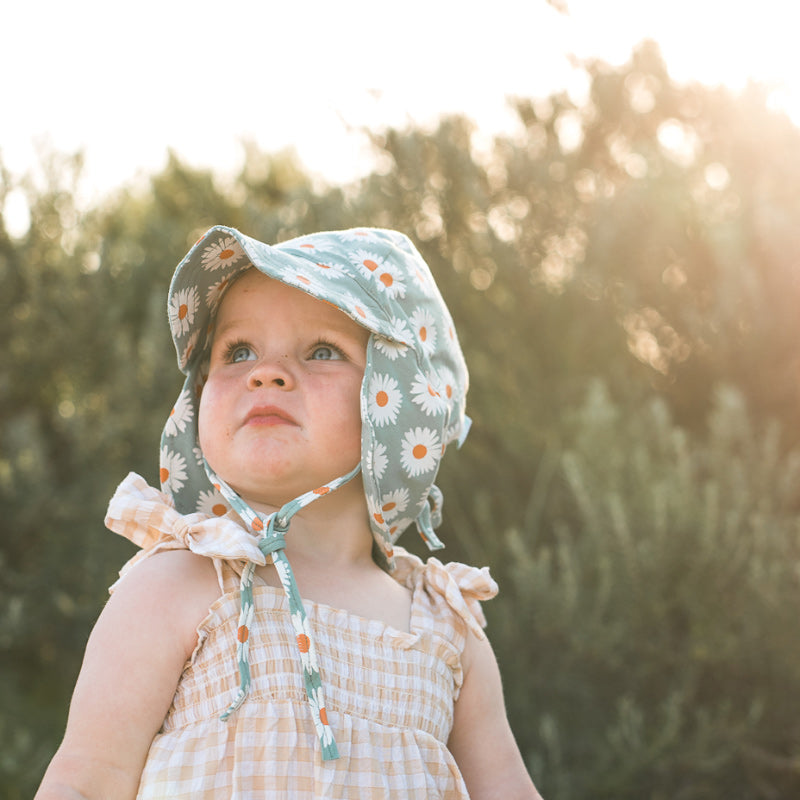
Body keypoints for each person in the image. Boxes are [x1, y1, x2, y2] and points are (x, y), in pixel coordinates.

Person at [36, 226, 543, 799]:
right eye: (238, 351)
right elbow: (85, 782)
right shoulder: (178, 584)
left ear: (398, 402)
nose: (265, 372)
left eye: (322, 351)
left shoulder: (447, 633)